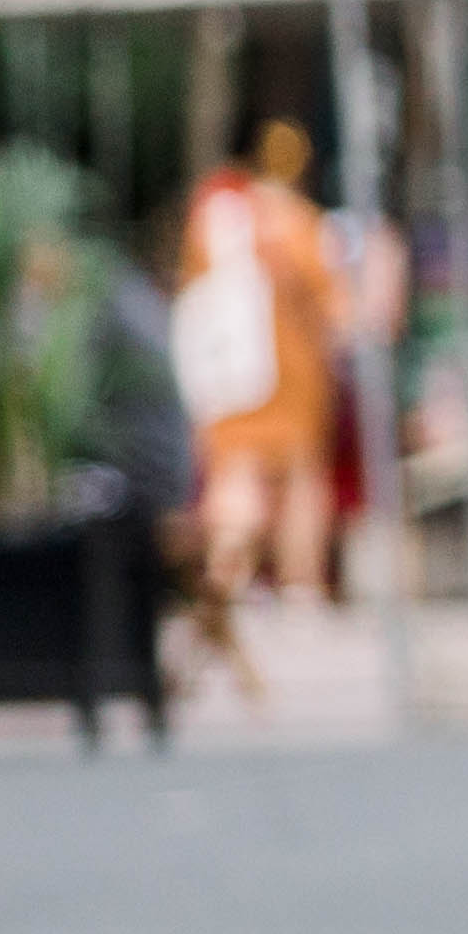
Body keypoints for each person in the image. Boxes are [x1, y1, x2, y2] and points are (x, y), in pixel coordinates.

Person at [182, 122, 342, 611]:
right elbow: (332, 303)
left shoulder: (215, 218)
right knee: (299, 480)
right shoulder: (303, 223)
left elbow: (193, 290)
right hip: (291, 374)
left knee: (235, 474)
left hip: (232, 375)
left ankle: (225, 582)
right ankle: (299, 584)